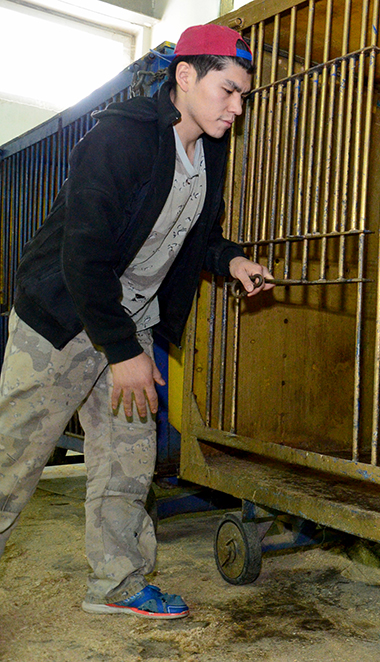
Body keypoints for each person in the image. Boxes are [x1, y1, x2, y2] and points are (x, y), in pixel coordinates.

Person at [0, 24, 274, 619]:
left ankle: (119, 583)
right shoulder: (119, 139)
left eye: (243, 96)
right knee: (12, 456)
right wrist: (124, 352)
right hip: (66, 316)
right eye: (227, 90)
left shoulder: (211, 151)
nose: (236, 107)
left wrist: (230, 258)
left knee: (127, 460)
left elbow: (184, 234)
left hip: (131, 323)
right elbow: (85, 255)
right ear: (184, 76)